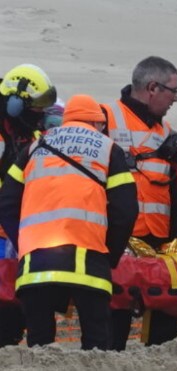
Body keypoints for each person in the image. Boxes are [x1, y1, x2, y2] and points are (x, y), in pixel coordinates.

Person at [0, 94, 138, 349]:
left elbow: (6, 202)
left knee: (39, 344)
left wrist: (25, 244)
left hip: (35, 263)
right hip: (89, 261)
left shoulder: (36, 146)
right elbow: (126, 210)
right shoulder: (108, 148)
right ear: (98, 123)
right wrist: (109, 255)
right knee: (96, 343)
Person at [101, 56, 177, 350]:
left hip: (159, 247)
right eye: (172, 91)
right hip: (116, 242)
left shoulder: (170, 136)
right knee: (113, 323)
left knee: (165, 326)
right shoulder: (105, 120)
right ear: (152, 87)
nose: (176, 99)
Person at [0, 63, 57, 347]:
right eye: (37, 110)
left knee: (14, 308)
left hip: (20, 234)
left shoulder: (32, 139)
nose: (41, 117)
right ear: (14, 105)